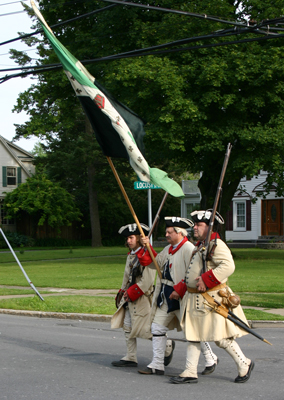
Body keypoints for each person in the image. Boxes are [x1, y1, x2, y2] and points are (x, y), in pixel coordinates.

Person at [169, 209, 254, 384]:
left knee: (221, 338)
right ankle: (190, 371)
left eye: (199, 225)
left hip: (211, 299)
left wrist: (207, 280)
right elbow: (192, 272)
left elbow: (228, 266)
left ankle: (244, 363)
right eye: (195, 225)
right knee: (193, 335)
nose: (195, 228)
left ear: (210, 227)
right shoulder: (202, 245)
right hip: (195, 299)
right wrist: (180, 289)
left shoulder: (217, 244)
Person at [137, 217, 218, 376]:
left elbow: (193, 273)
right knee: (157, 327)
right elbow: (156, 263)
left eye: (169, 232)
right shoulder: (169, 248)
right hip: (166, 295)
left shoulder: (189, 249)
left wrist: (180, 290)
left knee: (193, 331)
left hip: (183, 297)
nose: (166, 234)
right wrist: (146, 247)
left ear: (180, 233)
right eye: (166, 231)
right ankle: (157, 363)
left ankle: (210, 358)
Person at [111, 223, 174, 368]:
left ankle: (168, 345)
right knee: (127, 326)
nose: (128, 241)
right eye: (127, 238)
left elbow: (147, 282)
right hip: (129, 298)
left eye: (131, 237)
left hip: (142, 298)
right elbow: (126, 277)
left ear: (140, 238)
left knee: (146, 330)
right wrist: (122, 292)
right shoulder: (131, 255)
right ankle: (131, 356)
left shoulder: (147, 255)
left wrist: (131, 292)